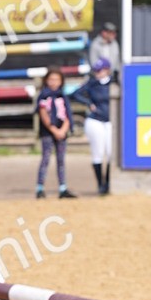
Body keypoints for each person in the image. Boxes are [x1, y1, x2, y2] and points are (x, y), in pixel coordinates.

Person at [72, 58, 113, 194]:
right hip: (96, 120)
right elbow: (76, 93)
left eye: (99, 70)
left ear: (107, 70)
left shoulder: (114, 83)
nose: (97, 73)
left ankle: (108, 182)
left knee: (111, 153)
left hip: (111, 121)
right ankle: (100, 184)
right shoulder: (92, 83)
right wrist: (89, 103)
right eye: (95, 70)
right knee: (98, 153)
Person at [35, 68, 77, 199]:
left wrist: (63, 130)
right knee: (46, 159)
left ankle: (63, 187)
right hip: (48, 132)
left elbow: (67, 115)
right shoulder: (43, 96)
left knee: (61, 160)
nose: (54, 82)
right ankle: (40, 188)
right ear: (46, 81)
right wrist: (54, 130)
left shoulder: (63, 96)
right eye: (51, 79)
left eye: (57, 79)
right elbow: (44, 115)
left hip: (61, 131)